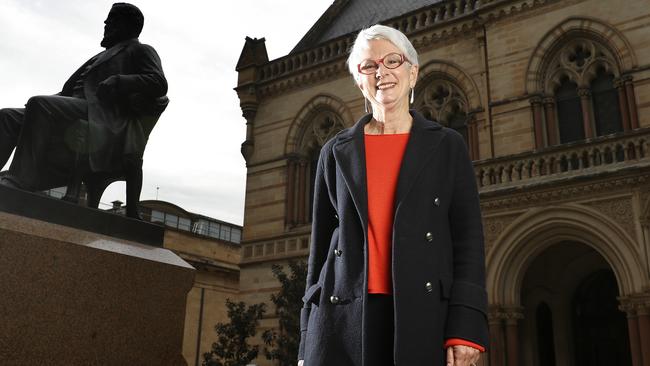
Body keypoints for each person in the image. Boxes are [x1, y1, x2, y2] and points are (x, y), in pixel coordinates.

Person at [298, 25, 488, 366]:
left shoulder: (447, 146)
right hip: (341, 321)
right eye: (369, 66)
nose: (381, 72)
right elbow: (320, 251)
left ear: (412, 73)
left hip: (423, 312)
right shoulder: (334, 151)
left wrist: (467, 327)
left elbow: (468, 240)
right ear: (359, 80)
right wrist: (306, 338)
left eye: (392, 61)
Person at [0, 2, 168, 218]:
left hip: (101, 115)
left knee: (39, 104)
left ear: (127, 25)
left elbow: (158, 82)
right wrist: (33, 108)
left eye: (112, 19)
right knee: (7, 116)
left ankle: (19, 180)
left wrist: (119, 81)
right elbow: (68, 92)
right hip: (73, 107)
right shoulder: (99, 56)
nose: (106, 23)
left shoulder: (140, 50)